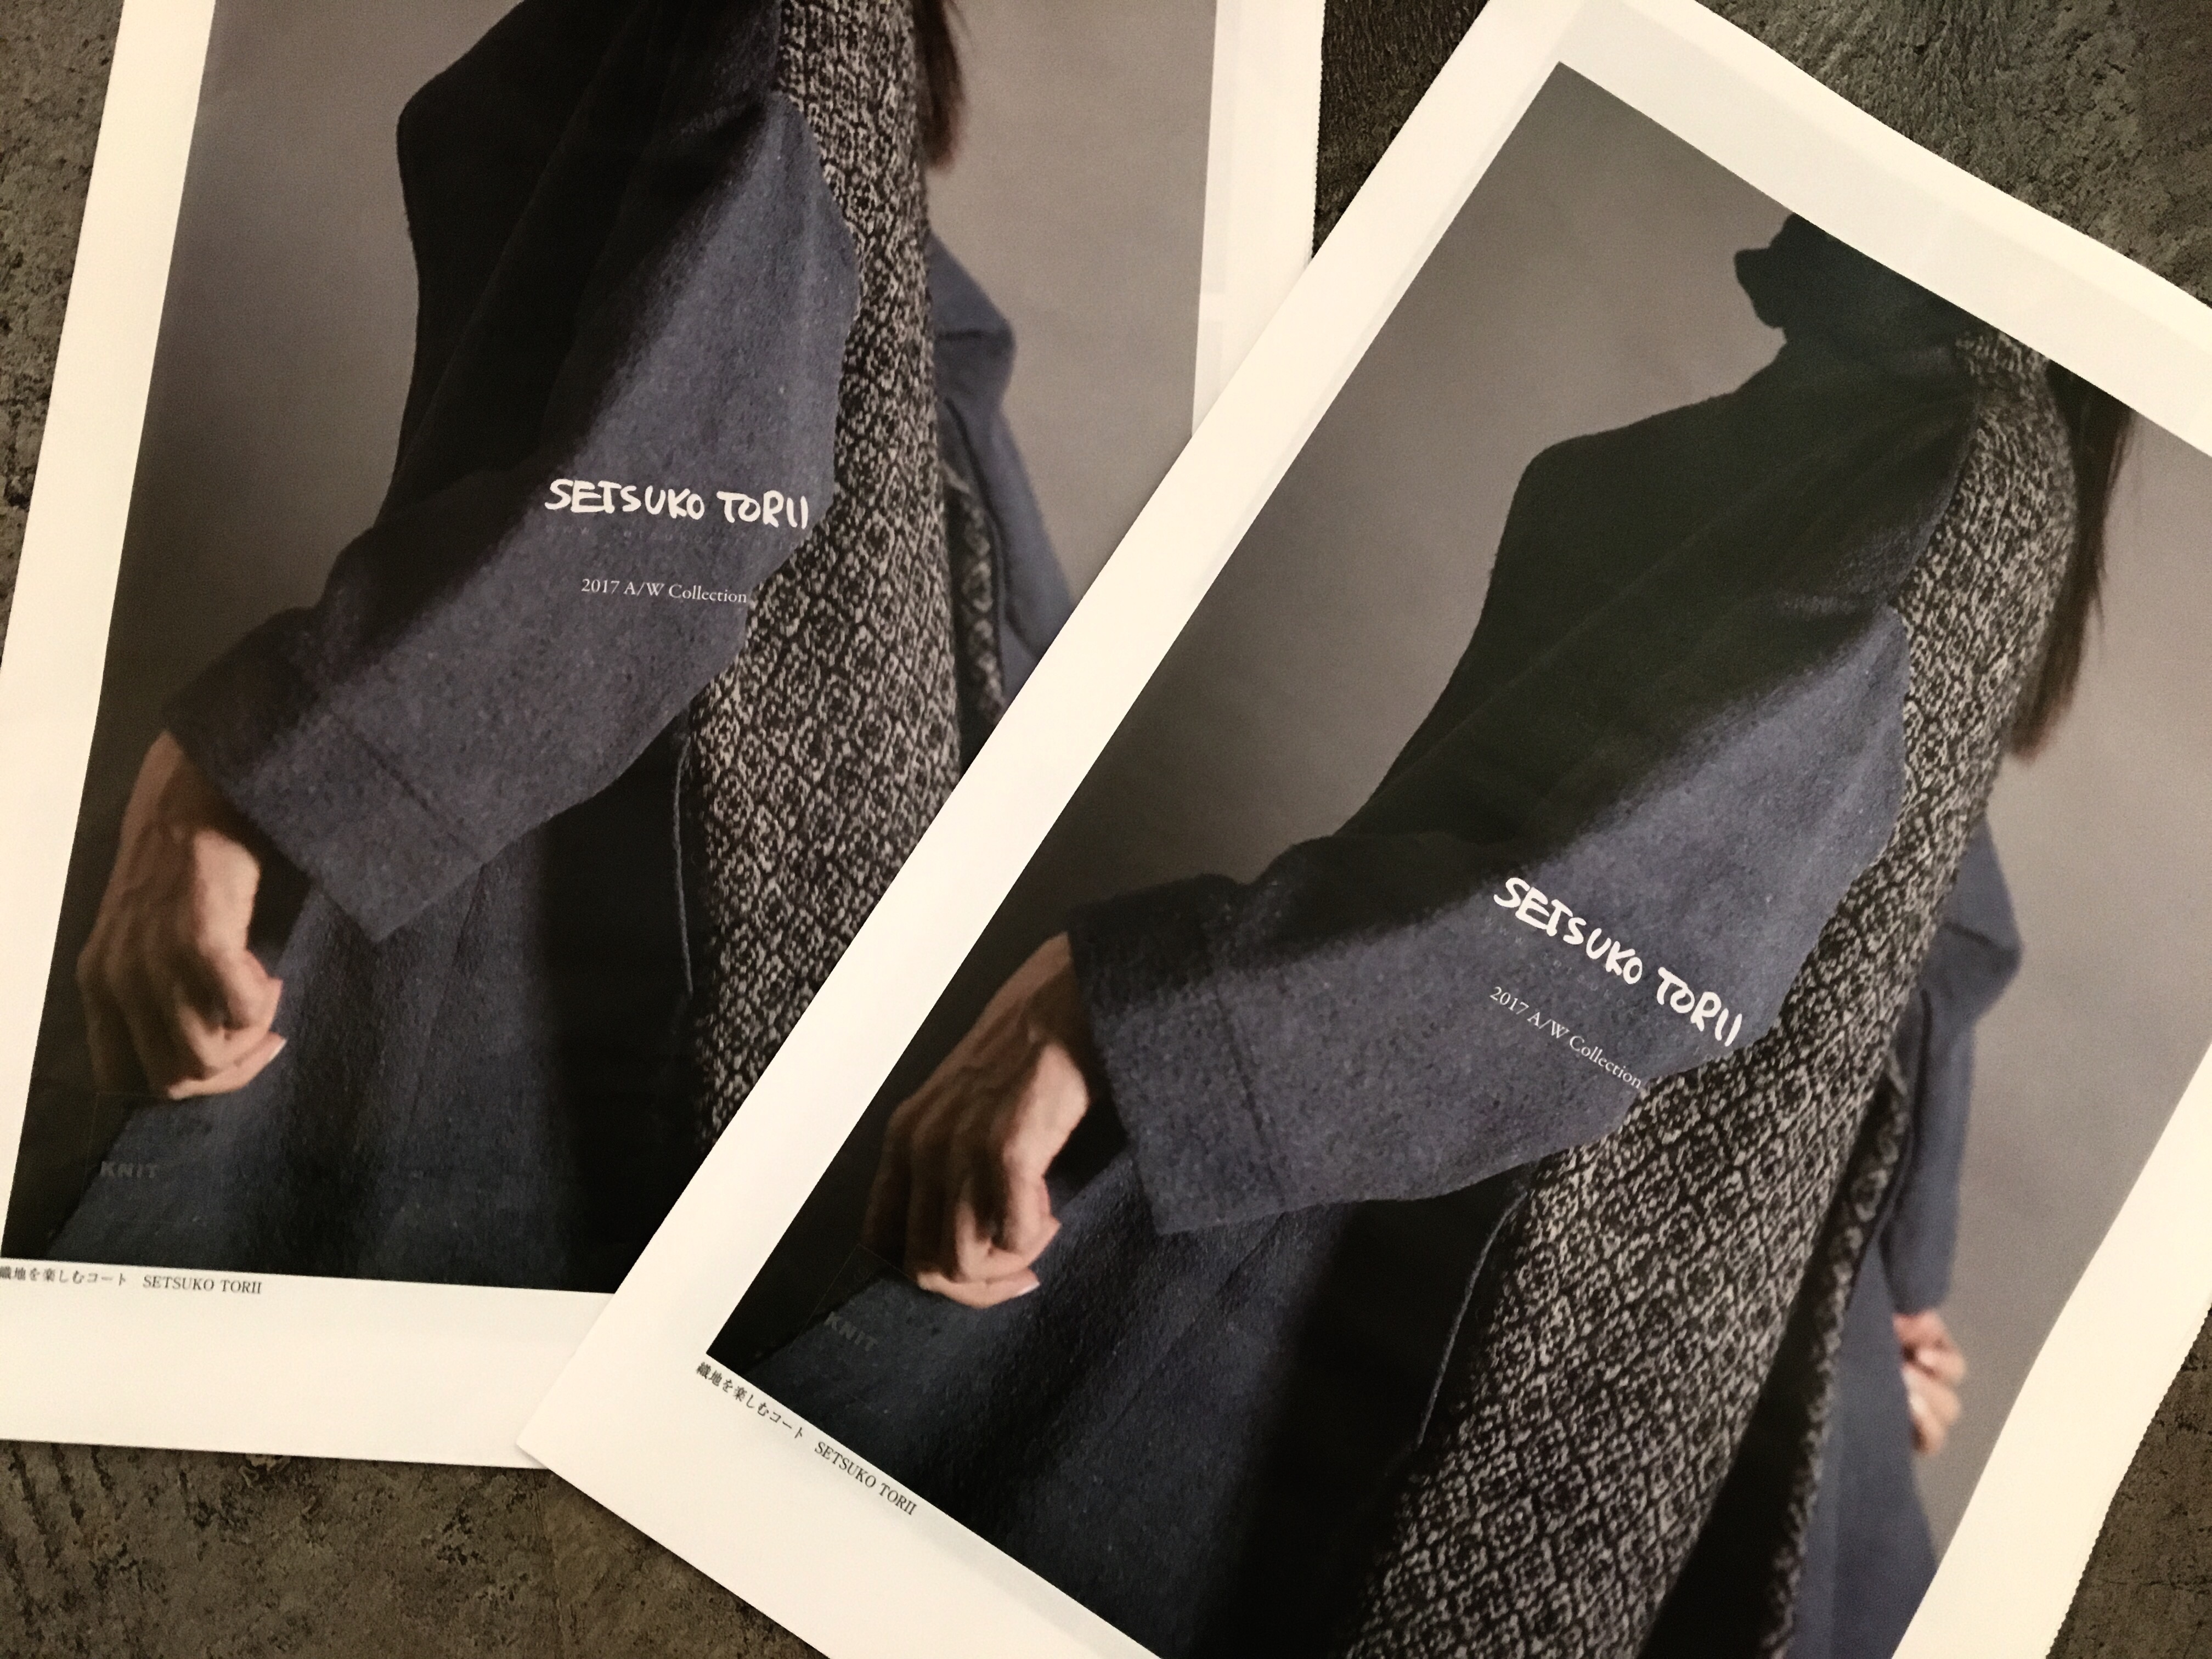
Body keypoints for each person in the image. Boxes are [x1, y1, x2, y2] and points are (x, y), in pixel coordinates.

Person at [735, 219, 2123, 1657]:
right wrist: (1892, 1275)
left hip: (1468, 1245)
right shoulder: (1935, 441)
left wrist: (1121, 1008)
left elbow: (1623, 939)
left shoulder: (1942, 454)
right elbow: (1929, 915)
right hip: (1441, 1145)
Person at [32, 0, 1069, 1290]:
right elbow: (943, 447)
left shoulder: (788, 20)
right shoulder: (820, 41)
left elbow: (683, 494)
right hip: (585, 825)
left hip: (570, 881)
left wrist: (248, 771)